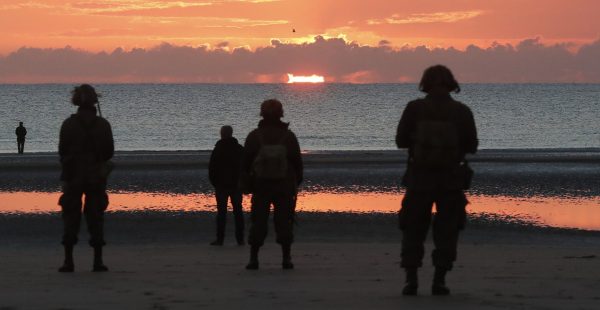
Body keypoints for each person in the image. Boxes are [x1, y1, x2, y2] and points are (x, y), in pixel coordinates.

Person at [395, 65, 478, 296]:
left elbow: (400, 141)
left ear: (425, 83)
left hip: (419, 178)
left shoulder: (414, 108)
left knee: (412, 229)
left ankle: (411, 280)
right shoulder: (461, 111)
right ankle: (439, 280)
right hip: (450, 181)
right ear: (451, 83)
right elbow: (472, 146)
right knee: (448, 231)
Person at [241, 99, 303, 270]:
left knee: (258, 220)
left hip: (261, 185)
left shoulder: (254, 136)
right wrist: (295, 182)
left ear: (262, 113)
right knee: (285, 221)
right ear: (280, 113)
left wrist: (247, 183)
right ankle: (286, 258)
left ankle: (254, 259)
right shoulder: (288, 136)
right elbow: (298, 163)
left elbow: (245, 163)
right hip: (284, 186)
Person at [58, 84, 114, 273]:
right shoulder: (103, 125)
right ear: (94, 101)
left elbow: (62, 151)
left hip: (73, 176)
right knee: (96, 216)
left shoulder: (68, 124)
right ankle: (97, 261)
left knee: (70, 217)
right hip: (95, 177)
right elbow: (109, 152)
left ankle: (68, 261)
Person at [208, 125, 245, 246]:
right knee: (238, 212)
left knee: (222, 213)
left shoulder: (218, 149)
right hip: (235, 185)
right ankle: (240, 239)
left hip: (222, 185)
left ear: (222, 134)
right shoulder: (239, 148)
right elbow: (245, 166)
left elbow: (212, 168)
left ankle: (220, 239)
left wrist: (215, 182)